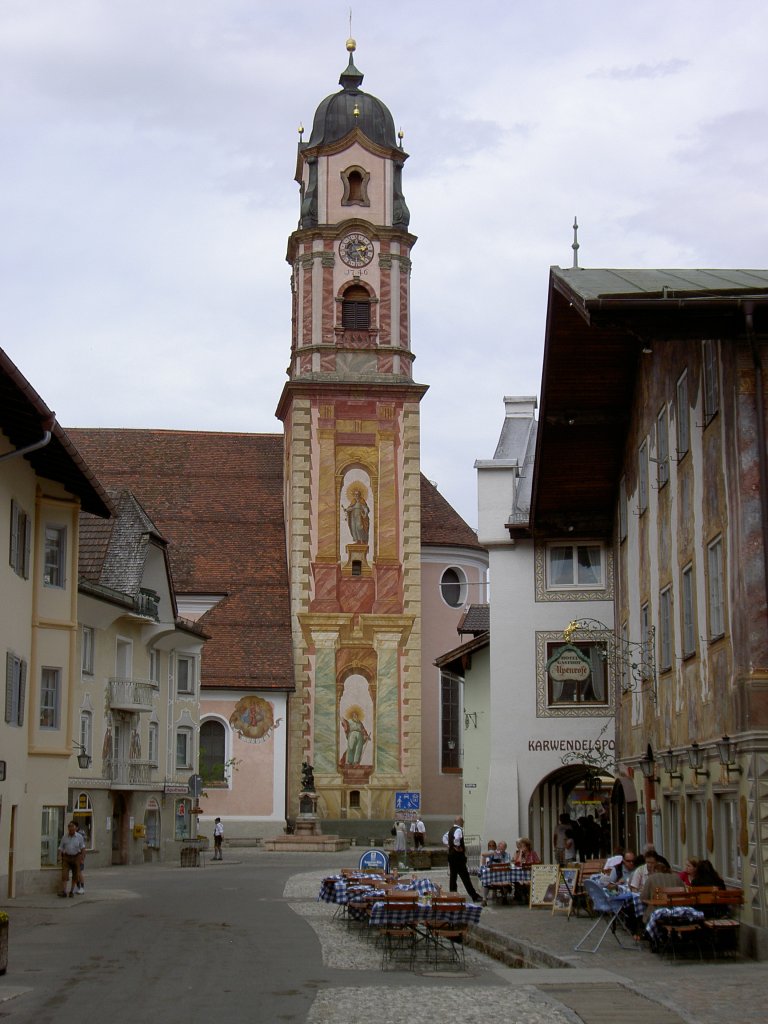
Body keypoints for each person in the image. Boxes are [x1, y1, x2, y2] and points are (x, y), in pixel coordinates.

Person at [446, 816, 482, 902]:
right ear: (460, 822)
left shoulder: (451, 830)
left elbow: (444, 838)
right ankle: (474, 896)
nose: (463, 824)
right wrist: (457, 847)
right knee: (465, 877)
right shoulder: (458, 830)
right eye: (463, 822)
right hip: (458, 857)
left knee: (453, 877)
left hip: (451, 856)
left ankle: (452, 895)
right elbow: (457, 840)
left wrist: (450, 846)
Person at [640, 855, 680, 923]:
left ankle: (642, 930)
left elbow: (643, 897)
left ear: (655, 870)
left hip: (658, 911)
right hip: (677, 911)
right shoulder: (676, 878)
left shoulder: (651, 878)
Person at [58, 821, 86, 897]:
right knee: (64, 874)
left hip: (76, 857)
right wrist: (60, 856)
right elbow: (60, 847)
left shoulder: (79, 837)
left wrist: (82, 858)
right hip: (66, 857)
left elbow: (83, 848)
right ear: (68, 829)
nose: (71, 832)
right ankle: (64, 891)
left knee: (75, 874)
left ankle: (71, 891)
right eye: (70, 830)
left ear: (75, 829)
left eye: (73, 830)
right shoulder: (64, 837)